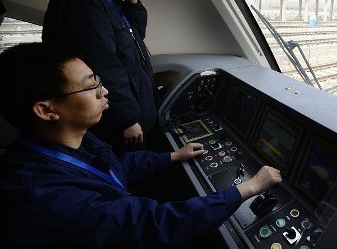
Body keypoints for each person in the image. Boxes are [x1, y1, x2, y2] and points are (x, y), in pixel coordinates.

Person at [0, 42, 282, 248]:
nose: (105, 91)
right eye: (90, 86)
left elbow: (113, 167)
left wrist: (171, 156)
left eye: (98, 80)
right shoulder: (45, 199)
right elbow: (155, 224)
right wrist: (247, 189)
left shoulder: (65, 139)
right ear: (47, 111)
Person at [43, 0, 156, 150]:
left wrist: (132, 2)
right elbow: (101, 62)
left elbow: (134, 38)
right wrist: (127, 118)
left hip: (130, 112)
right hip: (116, 123)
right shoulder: (81, 0)